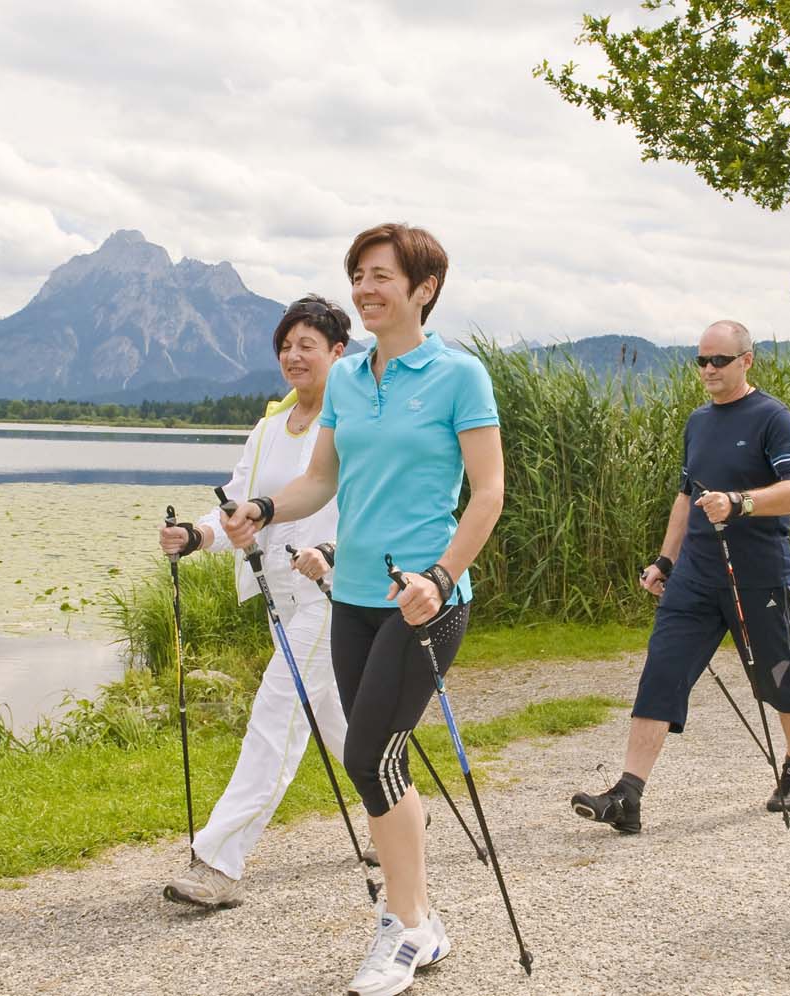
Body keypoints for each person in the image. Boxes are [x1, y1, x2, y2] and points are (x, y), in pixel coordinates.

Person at [222, 223, 503, 996]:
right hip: (352, 598)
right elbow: (321, 482)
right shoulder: (346, 379)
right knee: (387, 759)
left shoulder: (459, 376)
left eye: (381, 275)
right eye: (358, 275)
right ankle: (419, 921)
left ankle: (404, 927)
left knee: (367, 753)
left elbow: (488, 494)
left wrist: (442, 579)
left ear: (424, 288)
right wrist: (265, 506)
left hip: (426, 601)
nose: (365, 289)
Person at [570, 319, 790, 833]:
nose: (708, 369)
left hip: (758, 573)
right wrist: (665, 560)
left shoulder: (774, 417)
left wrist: (741, 502)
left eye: (718, 361)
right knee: (661, 670)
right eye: (701, 360)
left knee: (776, 674)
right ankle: (627, 794)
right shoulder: (698, 421)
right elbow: (686, 496)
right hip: (696, 576)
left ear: (746, 361)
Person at [159, 294, 350, 910]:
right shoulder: (270, 428)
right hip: (278, 593)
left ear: (337, 353)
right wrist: (198, 534)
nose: (294, 356)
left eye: (308, 346)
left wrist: (333, 548)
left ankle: (219, 861)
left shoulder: (351, 423)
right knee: (332, 719)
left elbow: (370, 504)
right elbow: (236, 500)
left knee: (276, 711)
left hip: (329, 591)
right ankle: (395, 809)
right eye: (286, 346)